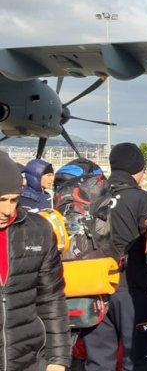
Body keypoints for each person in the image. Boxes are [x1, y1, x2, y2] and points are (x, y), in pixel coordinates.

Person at [81, 143, 147, 371]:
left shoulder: (91, 196)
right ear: (137, 168)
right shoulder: (142, 199)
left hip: (93, 289)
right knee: (138, 359)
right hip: (131, 291)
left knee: (98, 362)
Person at [0, 151, 70, 370]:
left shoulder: (39, 230)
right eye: (1, 200)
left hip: (28, 359)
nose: (7, 210)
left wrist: (58, 358)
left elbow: (52, 299)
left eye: (14, 200)